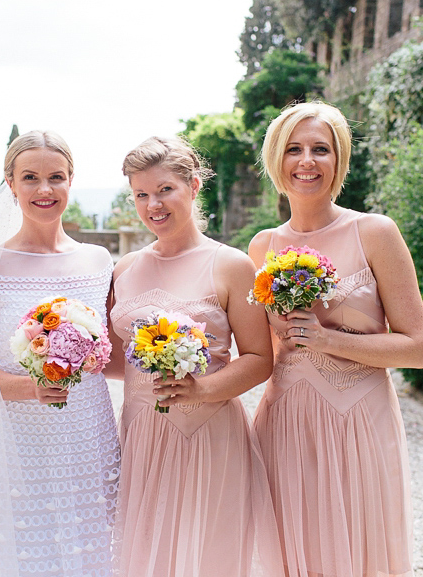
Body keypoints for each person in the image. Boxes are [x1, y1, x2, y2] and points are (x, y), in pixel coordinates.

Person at [0, 131, 120, 577]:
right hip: (17, 442)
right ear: (10, 184)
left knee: (91, 550)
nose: (44, 189)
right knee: (25, 555)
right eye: (30, 177)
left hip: (89, 434)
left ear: (72, 181)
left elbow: (113, 356)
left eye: (56, 177)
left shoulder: (98, 261)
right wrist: (31, 387)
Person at [250, 102, 423, 577]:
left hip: (358, 422)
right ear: (276, 160)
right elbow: (263, 356)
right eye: (293, 149)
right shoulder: (262, 246)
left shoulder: (374, 232)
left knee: (358, 550)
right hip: (285, 422)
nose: (306, 161)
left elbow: (417, 348)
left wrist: (328, 340)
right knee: (290, 551)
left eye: (320, 149)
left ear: (339, 160)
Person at [109, 136, 282, 577]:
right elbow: (117, 361)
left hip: (208, 434)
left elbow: (260, 358)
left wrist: (200, 388)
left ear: (194, 185)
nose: (153, 205)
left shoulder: (230, 264)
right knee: (145, 556)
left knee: (208, 557)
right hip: (143, 433)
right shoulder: (124, 269)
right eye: (141, 194)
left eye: (165, 189)